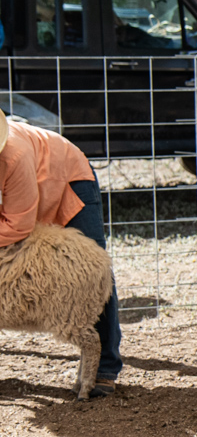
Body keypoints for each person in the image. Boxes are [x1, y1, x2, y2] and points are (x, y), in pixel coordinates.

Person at [0, 113, 122, 395]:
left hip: (66, 179)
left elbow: (18, 225)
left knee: (89, 269)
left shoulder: (13, 155)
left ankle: (104, 368)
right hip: (22, 200)